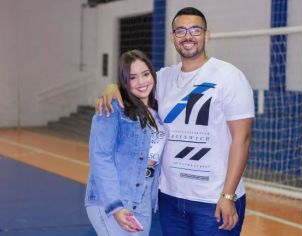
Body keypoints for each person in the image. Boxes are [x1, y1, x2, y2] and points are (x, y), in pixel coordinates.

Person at [97, 7, 254, 236]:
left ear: (206, 35)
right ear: (172, 37)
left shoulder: (229, 76)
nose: (188, 36)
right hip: (170, 198)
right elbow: (132, 88)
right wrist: (112, 87)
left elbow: (242, 138)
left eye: (195, 30)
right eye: (180, 31)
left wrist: (228, 195)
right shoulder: (162, 78)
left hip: (213, 199)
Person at [85, 49, 167, 236]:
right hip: (113, 198)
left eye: (145, 74)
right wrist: (115, 206)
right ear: (125, 81)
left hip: (143, 197)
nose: (142, 82)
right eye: (132, 77)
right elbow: (100, 157)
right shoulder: (113, 107)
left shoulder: (157, 110)